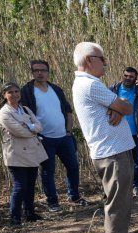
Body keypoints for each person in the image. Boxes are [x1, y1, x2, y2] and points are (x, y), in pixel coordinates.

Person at [71, 42, 136, 233]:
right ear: (89, 60)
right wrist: (120, 108)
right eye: (102, 59)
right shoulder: (90, 84)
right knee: (117, 201)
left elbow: (122, 104)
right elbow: (126, 107)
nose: (105, 63)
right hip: (112, 152)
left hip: (112, 150)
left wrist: (117, 108)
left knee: (121, 198)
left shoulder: (87, 84)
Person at [21, 59, 88, 212]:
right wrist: (35, 135)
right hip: (44, 139)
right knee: (48, 171)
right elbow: (24, 115)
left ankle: (74, 196)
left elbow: (68, 110)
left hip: (64, 137)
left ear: (48, 72)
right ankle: (53, 202)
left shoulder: (56, 89)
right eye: (36, 70)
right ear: (32, 72)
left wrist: (69, 132)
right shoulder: (27, 91)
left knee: (73, 166)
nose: (40, 73)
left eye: (43, 70)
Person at [0, 82, 49, 226]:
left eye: (16, 91)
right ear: (4, 95)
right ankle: (14, 217)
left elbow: (39, 126)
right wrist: (31, 128)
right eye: (10, 92)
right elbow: (19, 131)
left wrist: (30, 127)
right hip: (16, 153)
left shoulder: (25, 109)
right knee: (20, 186)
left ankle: (29, 213)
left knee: (31, 184)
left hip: (32, 151)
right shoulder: (4, 113)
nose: (14, 94)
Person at [109, 67, 138, 197]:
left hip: (136, 132)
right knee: (120, 162)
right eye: (126, 75)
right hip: (118, 132)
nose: (128, 78)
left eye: (131, 76)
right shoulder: (113, 90)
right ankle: (122, 187)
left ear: (135, 78)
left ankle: (136, 185)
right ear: (122, 75)